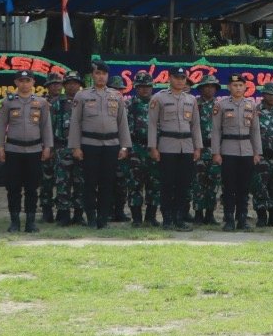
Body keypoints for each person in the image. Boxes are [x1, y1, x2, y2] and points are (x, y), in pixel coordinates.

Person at [70, 60, 129, 230]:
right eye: (97, 73)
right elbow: (75, 123)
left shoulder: (116, 96)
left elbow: (122, 123)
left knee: (107, 182)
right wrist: (76, 146)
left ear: (107, 76)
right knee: (89, 182)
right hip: (89, 144)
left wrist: (124, 146)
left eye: (103, 74)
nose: (101, 77)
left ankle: (103, 218)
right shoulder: (82, 96)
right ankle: (91, 217)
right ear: (92, 76)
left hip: (111, 144)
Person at [0, 70, 53, 234]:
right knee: (13, 188)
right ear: (16, 83)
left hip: (34, 150)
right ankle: (14, 222)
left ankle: (30, 222)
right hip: (13, 150)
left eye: (28, 80)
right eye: (21, 80)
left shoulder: (41, 103)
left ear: (33, 82)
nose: (24, 84)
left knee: (32, 188)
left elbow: (45, 126)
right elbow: (1, 126)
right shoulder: (7, 102)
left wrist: (47, 146)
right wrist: (0, 147)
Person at [148, 67, 201, 231]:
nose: (180, 80)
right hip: (167, 145)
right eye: (177, 77)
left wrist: (197, 147)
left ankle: (179, 217)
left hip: (186, 146)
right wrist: (153, 147)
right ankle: (167, 219)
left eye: (183, 77)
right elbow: (152, 124)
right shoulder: (159, 98)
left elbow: (195, 125)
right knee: (167, 183)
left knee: (183, 184)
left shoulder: (191, 100)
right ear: (169, 78)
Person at [212, 74, 261, 231]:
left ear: (245, 87)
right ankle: (228, 220)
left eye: (241, 85)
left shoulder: (251, 105)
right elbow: (216, 130)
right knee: (229, 187)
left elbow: (255, 130)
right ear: (229, 87)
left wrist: (256, 152)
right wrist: (216, 152)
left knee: (244, 187)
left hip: (246, 150)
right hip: (228, 149)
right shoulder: (221, 105)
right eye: (235, 85)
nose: (238, 88)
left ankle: (242, 219)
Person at [124, 72, 161, 227]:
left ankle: (151, 217)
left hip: (155, 149)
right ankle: (137, 219)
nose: (145, 90)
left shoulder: (158, 104)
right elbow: (124, 128)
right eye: (141, 87)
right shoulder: (130, 104)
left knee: (154, 184)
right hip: (136, 148)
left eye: (148, 86)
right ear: (136, 87)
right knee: (135, 185)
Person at [51, 72, 84, 224]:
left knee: (80, 182)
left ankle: (78, 214)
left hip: (82, 148)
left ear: (80, 85)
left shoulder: (86, 101)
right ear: (64, 86)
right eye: (69, 83)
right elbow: (50, 126)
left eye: (75, 83)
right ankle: (63, 214)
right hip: (62, 147)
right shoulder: (58, 103)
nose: (72, 85)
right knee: (62, 183)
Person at [192, 76, 222, 224]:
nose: (209, 89)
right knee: (198, 183)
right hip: (199, 147)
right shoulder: (194, 104)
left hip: (215, 149)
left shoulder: (221, 105)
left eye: (212, 86)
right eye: (206, 86)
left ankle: (210, 214)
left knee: (213, 183)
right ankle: (198, 213)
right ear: (201, 88)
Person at [38, 72, 66, 224]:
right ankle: (46, 211)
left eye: (58, 84)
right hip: (46, 146)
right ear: (47, 86)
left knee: (64, 181)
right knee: (46, 180)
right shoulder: (41, 103)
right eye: (53, 84)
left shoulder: (67, 101)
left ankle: (63, 211)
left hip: (62, 146)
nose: (56, 86)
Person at [254, 83, 273, 226]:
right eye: (269, 94)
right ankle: (261, 216)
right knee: (260, 186)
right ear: (263, 95)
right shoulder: (255, 111)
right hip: (261, 155)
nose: (272, 97)